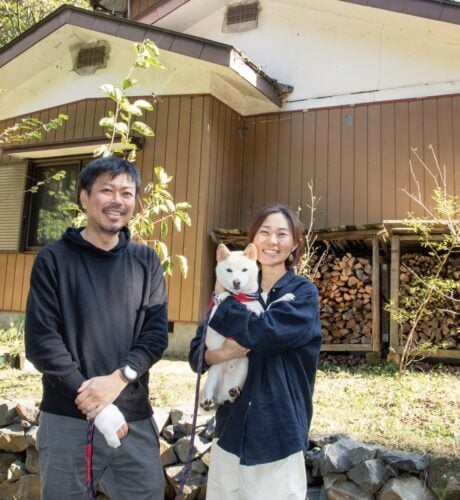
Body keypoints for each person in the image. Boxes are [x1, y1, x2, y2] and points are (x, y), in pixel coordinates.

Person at [25, 156, 168, 499]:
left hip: (132, 418)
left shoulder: (145, 261)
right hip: (67, 417)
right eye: (106, 190)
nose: (117, 200)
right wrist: (97, 404)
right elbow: (42, 342)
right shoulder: (54, 259)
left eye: (127, 192)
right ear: (84, 197)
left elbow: (155, 333)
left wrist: (120, 379)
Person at [189, 204, 322, 500]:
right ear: (252, 241)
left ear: (294, 245)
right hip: (230, 430)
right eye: (264, 232)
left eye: (282, 234)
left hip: (277, 432)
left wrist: (223, 303)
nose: (272, 241)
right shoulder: (234, 287)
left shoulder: (301, 293)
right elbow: (196, 351)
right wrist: (216, 356)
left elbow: (265, 333)